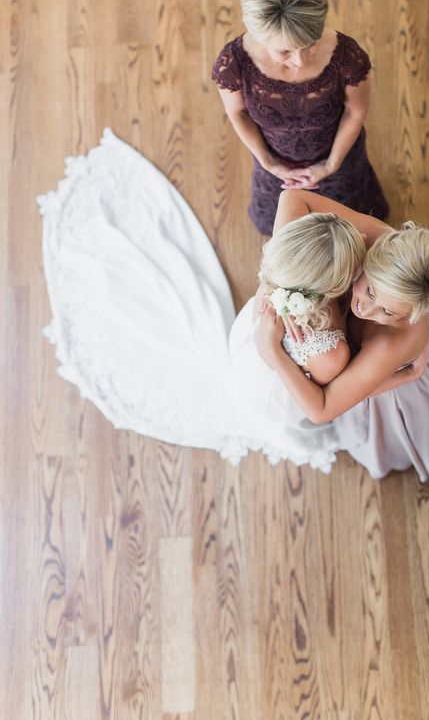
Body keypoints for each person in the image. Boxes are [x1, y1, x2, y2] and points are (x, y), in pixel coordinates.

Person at [38, 130, 410, 473]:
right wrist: (402, 376)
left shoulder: (286, 276)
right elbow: (326, 403)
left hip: (248, 338)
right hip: (270, 373)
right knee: (280, 412)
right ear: (334, 285)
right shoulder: (330, 352)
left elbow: (290, 198)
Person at [258, 189, 429, 482]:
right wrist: (287, 284)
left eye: (388, 311)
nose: (366, 309)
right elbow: (292, 199)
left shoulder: (393, 342)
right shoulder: (375, 237)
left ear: (411, 313)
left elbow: (322, 408)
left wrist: (271, 349)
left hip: (381, 372)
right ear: (373, 256)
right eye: (370, 290)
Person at [212, 0, 389, 235]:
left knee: (353, 223)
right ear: (259, 37)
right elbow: (239, 115)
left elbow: (354, 112)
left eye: (309, 45)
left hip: (338, 155)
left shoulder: (348, 58)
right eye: (283, 51)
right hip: (274, 161)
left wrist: (331, 164)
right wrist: (269, 163)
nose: (298, 61)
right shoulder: (233, 64)